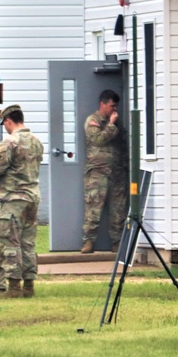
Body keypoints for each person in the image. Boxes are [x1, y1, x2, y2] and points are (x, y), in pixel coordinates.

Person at [0, 104, 44, 298]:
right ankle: (29, 285)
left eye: (4, 123)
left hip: (12, 199)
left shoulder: (9, 142)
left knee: (10, 243)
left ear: (8, 121)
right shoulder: (36, 142)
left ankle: (14, 287)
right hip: (32, 197)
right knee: (28, 243)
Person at [81, 89, 128, 254]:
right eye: (111, 106)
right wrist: (111, 125)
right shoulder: (93, 121)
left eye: (115, 106)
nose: (114, 110)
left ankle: (117, 242)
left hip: (116, 172)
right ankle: (88, 242)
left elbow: (122, 144)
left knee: (118, 209)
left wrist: (124, 165)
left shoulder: (116, 122)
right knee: (94, 208)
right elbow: (99, 140)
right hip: (97, 172)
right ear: (102, 104)